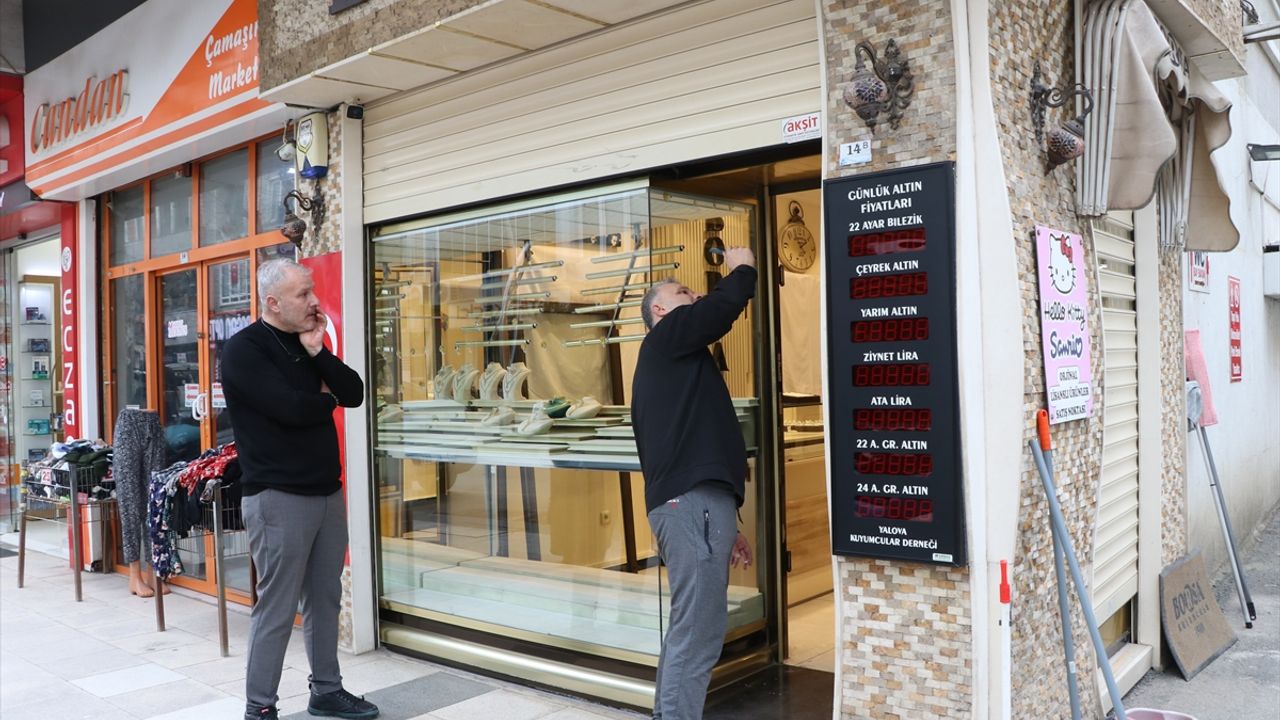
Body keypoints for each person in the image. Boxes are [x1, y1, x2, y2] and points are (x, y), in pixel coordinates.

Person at [222, 258, 378, 720]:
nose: (314, 301)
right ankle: (259, 707)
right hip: (277, 498)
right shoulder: (244, 349)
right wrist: (324, 399)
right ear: (273, 302)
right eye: (303, 294)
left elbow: (353, 392)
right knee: (277, 606)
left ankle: (326, 690)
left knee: (325, 599)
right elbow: (290, 409)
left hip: (326, 493)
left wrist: (318, 352)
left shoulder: (305, 343)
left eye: (312, 291)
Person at [632, 247, 757, 720]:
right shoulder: (665, 339)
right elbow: (715, 312)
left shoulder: (677, 360)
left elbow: (699, 445)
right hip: (691, 507)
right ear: (660, 310)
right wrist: (742, 269)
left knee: (691, 626)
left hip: (699, 505)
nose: (695, 296)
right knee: (699, 630)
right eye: (683, 292)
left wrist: (728, 523)